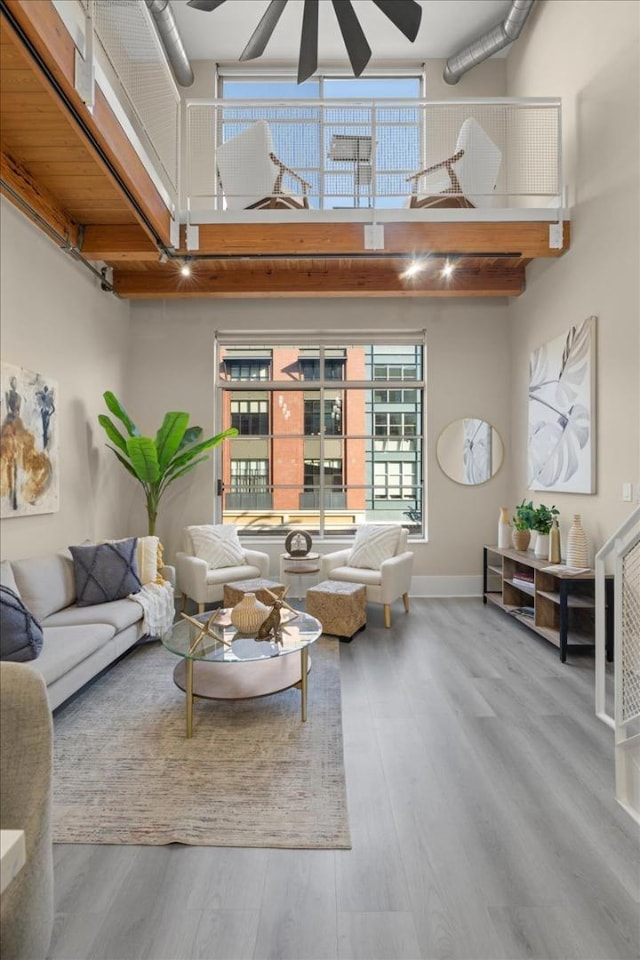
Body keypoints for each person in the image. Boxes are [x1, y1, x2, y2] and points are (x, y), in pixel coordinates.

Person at [35, 383, 55, 449]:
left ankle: (45, 444)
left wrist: (49, 414)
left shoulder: (49, 398)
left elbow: (53, 409)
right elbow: (38, 393)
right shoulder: (43, 396)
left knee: (45, 430)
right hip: (44, 414)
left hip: (46, 415)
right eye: (45, 389)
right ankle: (44, 444)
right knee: (44, 430)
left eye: (46, 389)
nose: (45, 390)